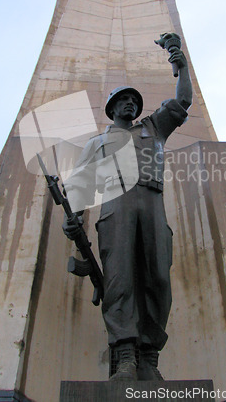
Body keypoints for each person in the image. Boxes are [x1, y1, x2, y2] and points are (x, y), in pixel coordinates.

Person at [63, 43, 192, 381]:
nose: (131, 104)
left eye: (134, 100)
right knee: (119, 280)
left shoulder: (153, 128)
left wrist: (182, 67)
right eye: (124, 100)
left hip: (151, 202)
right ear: (112, 108)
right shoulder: (98, 142)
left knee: (158, 278)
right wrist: (72, 216)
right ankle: (124, 357)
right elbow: (79, 186)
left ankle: (149, 358)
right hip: (115, 206)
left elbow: (182, 102)